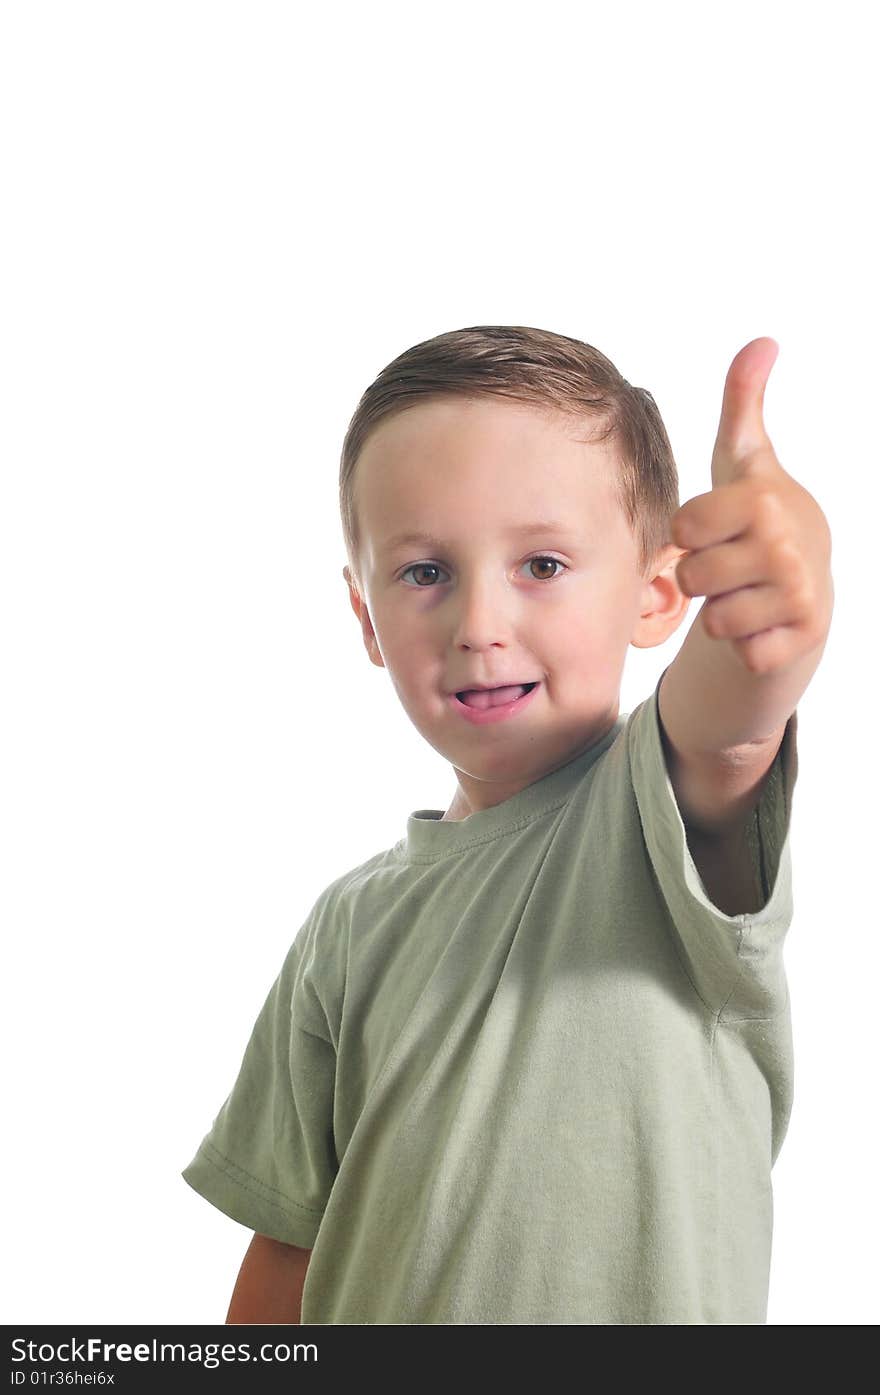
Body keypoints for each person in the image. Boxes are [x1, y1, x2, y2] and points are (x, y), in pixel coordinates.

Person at [181, 324, 833, 1324]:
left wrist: (772, 607)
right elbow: (286, 1246)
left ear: (657, 594)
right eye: (425, 573)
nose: (478, 623)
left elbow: (731, 724)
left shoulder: (657, 814)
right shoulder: (344, 925)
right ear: (365, 620)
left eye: (539, 564)